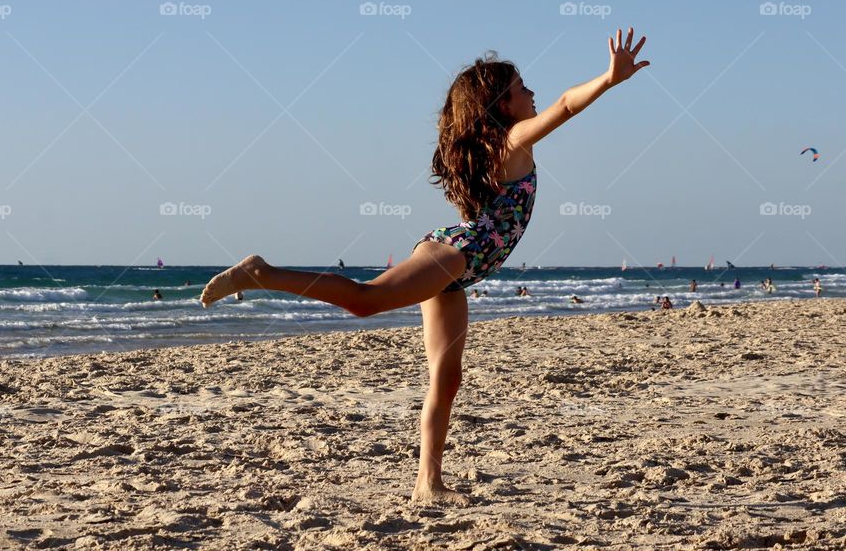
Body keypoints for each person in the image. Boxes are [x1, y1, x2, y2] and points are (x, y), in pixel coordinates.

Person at [198, 27, 650, 505]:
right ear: (502, 106)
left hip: (461, 271)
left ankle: (427, 483)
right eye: (521, 89)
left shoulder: (501, 146)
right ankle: (261, 273)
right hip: (455, 254)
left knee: (446, 375)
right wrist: (607, 79)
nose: (531, 93)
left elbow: (551, 103)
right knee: (364, 300)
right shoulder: (514, 139)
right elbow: (564, 104)